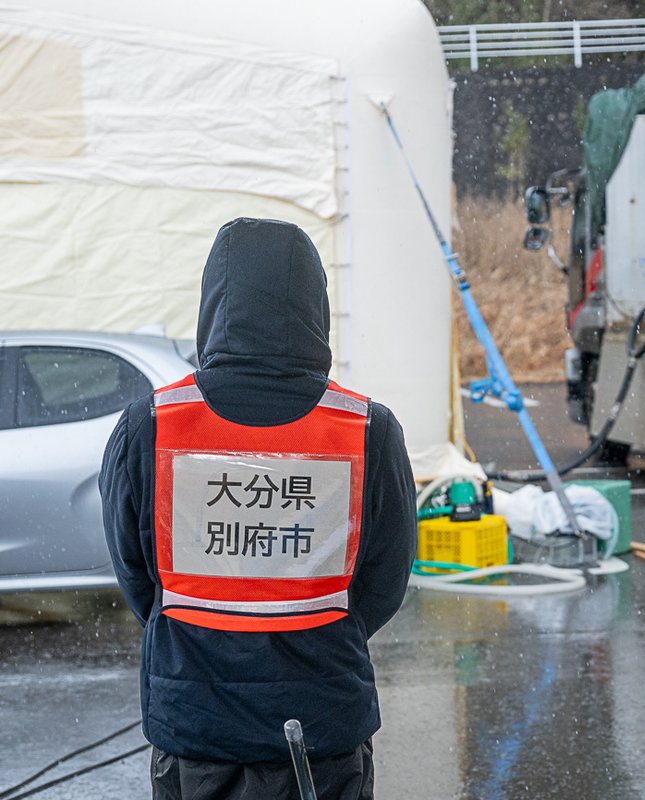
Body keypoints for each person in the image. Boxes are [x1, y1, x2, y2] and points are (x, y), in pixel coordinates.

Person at [101, 217, 417, 800]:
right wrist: (308, 634)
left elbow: (139, 578)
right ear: (315, 307)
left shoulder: (151, 425)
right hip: (321, 726)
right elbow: (384, 583)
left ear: (214, 302)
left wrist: (208, 636)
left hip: (195, 726)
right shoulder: (367, 429)